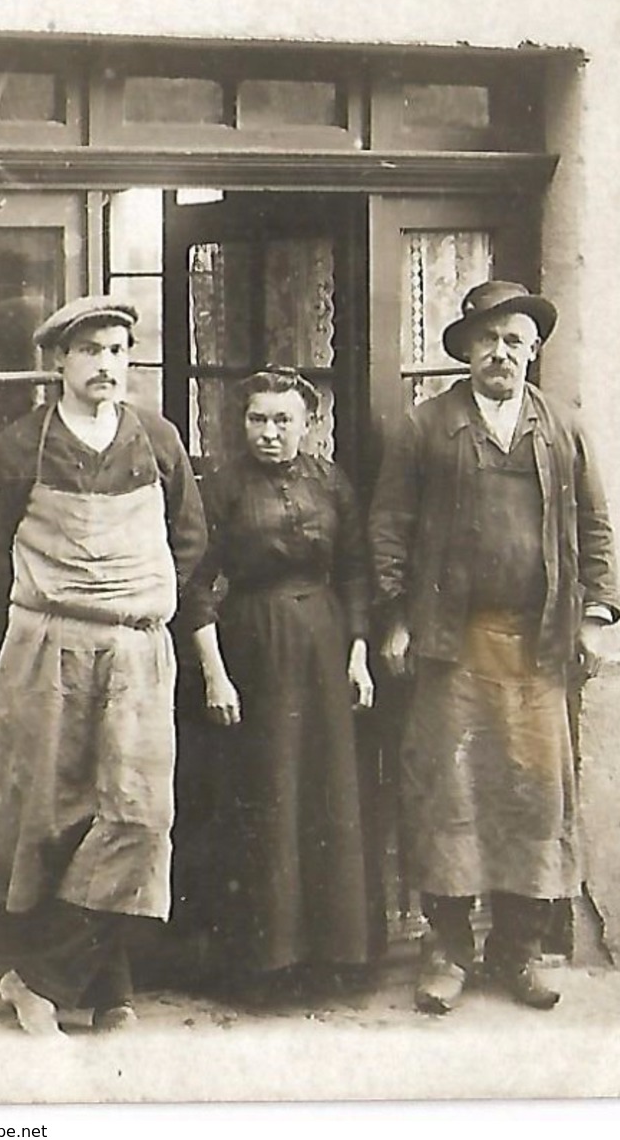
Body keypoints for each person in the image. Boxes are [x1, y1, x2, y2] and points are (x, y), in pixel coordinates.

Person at [369, 279, 619, 1014]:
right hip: (454, 645)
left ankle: (519, 953)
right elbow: (389, 527)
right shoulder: (425, 428)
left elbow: (596, 531)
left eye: (515, 340)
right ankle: (446, 951)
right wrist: (396, 617)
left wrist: (594, 618)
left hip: (538, 647)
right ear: (466, 350)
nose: (501, 353)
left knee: (533, 798)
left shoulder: (562, 429)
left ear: (533, 351)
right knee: (450, 794)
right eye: (488, 340)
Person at [0, 296, 208, 1036]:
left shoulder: (159, 440)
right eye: (91, 350)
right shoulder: (19, 446)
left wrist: (136, 602)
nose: (107, 363)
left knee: (137, 815)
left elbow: (191, 541)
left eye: (117, 349)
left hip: (137, 648)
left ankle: (39, 978)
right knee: (54, 815)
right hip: (48, 646)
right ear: (60, 362)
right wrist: (48, 612)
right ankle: (111, 989)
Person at [182, 367, 375, 992]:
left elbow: (354, 570)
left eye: (283, 419)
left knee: (325, 791)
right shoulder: (223, 487)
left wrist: (357, 653)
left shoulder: (331, 481)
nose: (270, 432)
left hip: (324, 643)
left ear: (308, 423)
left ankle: (332, 957)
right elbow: (196, 585)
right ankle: (266, 963)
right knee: (268, 792)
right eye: (258, 419)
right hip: (254, 647)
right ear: (242, 425)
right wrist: (215, 674)